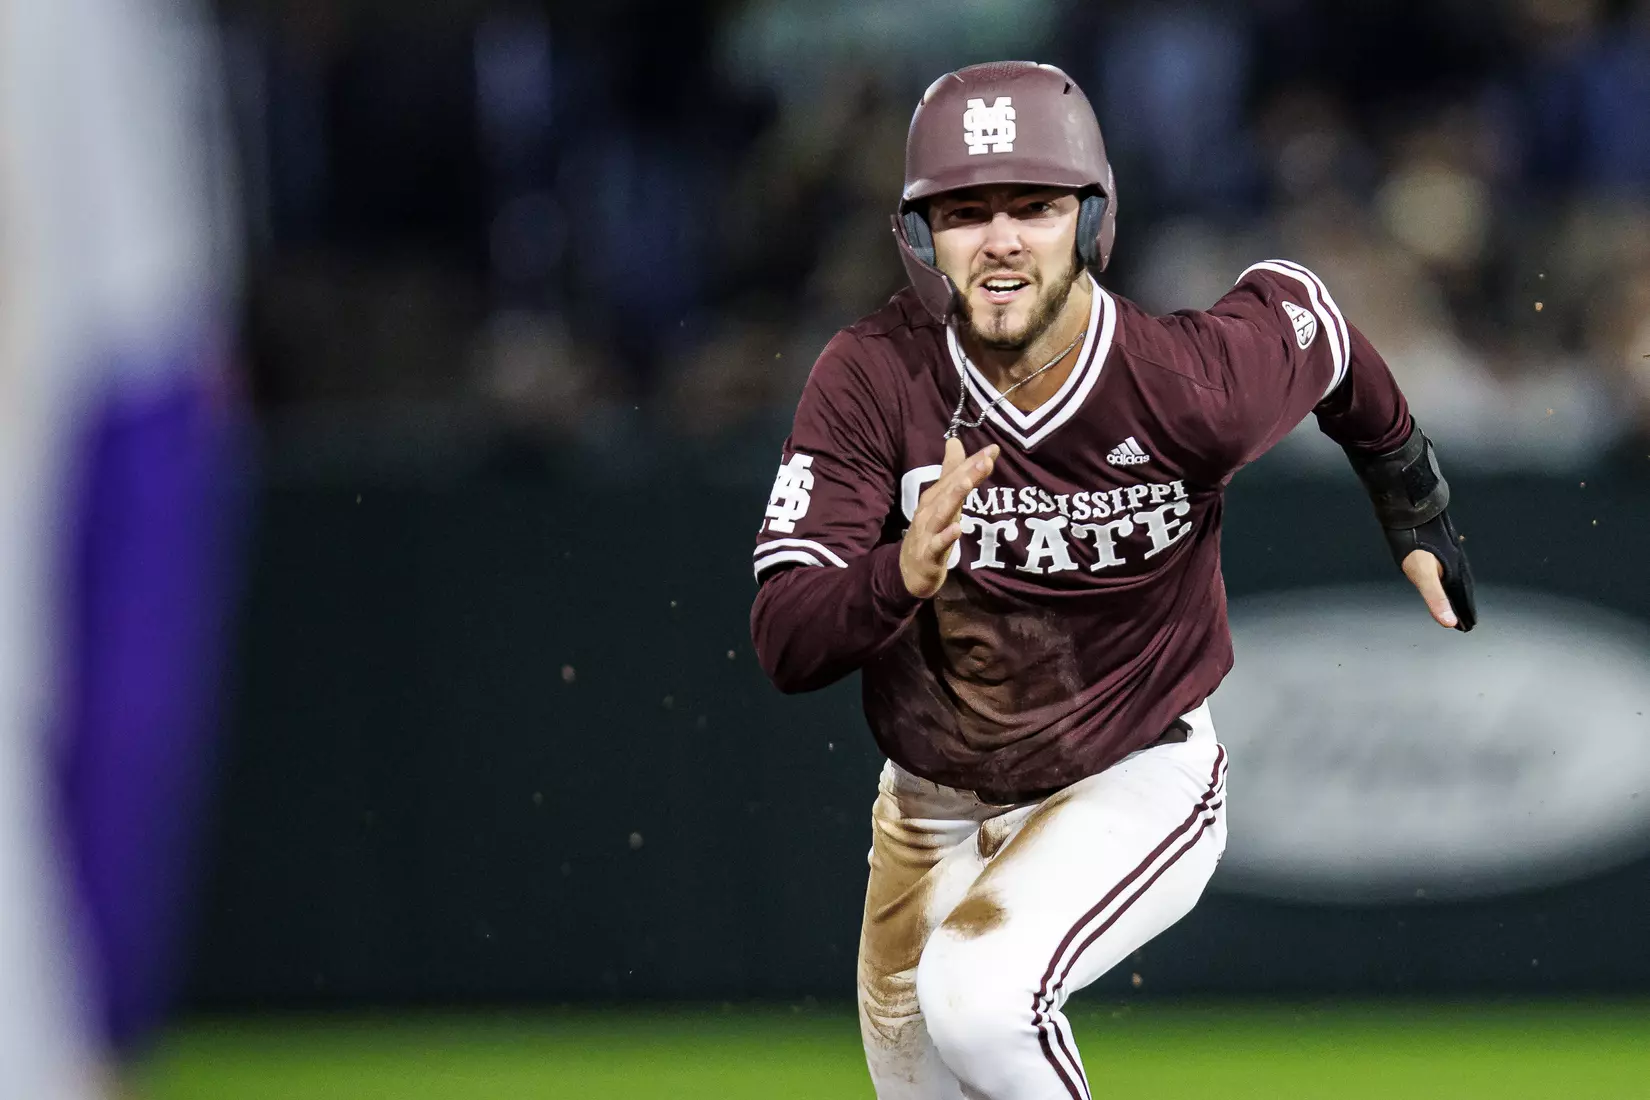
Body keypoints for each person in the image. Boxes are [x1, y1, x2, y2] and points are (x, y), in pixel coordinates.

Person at [748, 61, 1475, 1100]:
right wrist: (899, 572)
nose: (1000, 238)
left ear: (1092, 220)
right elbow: (784, 636)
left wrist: (1408, 488)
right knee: (931, 1064)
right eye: (964, 210)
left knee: (981, 996)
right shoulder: (873, 381)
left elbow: (1317, 320)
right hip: (932, 802)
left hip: (1134, 764)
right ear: (918, 237)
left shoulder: (1189, 384)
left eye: (1034, 206)